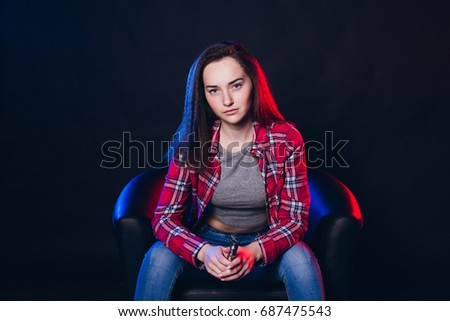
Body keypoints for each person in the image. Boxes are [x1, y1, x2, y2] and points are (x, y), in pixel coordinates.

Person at [134, 41, 325, 300]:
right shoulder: (192, 142)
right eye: (214, 90)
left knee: (301, 260)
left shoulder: (286, 138)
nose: (226, 100)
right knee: (158, 256)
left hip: (265, 239)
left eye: (236, 85)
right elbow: (164, 219)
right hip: (208, 240)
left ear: (253, 84)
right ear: (203, 96)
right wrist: (204, 251)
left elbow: (295, 219)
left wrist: (255, 251)